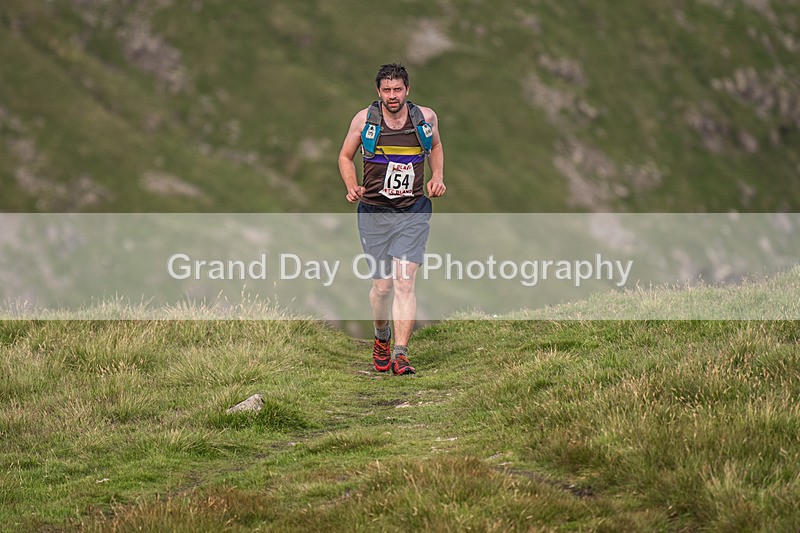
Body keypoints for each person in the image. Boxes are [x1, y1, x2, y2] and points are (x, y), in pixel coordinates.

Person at [338, 63, 446, 375]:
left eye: (397, 89)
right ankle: (382, 337)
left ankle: (401, 353)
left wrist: (437, 176)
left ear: (407, 90)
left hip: (412, 210)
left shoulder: (425, 118)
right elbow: (345, 156)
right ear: (378, 92)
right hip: (374, 212)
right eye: (386, 90)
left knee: (404, 280)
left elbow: (436, 145)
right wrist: (351, 186)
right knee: (383, 287)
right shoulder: (364, 120)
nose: (392, 95)